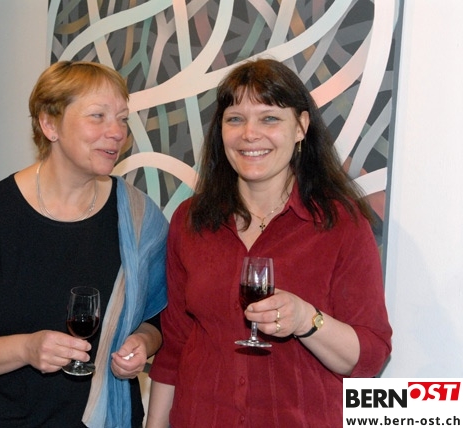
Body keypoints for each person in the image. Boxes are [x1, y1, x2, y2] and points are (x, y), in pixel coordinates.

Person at [0, 61, 168, 428]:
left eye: (122, 119)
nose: (117, 132)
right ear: (50, 124)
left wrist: (143, 342)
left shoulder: (139, 218)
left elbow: (157, 319)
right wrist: (26, 349)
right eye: (98, 116)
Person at [145, 58, 392, 428]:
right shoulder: (191, 220)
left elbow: (370, 356)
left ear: (301, 127)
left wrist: (306, 319)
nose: (250, 134)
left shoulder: (341, 223)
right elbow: (174, 347)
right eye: (235, 119)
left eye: (269, 118)